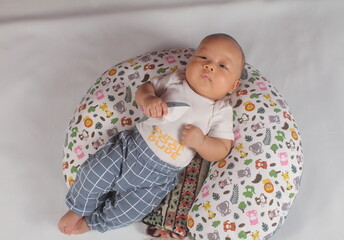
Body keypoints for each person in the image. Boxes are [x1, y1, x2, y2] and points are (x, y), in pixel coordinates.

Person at [58, 33, 246, 235]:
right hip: (128, 149)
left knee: (132, 210)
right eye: (203, 57)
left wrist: (201, 142)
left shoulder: (220, 110)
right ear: (191, 60)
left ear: (233, 86)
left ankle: (94, 222)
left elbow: (221, 149)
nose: (209, 66)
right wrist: (147, 98)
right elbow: (145, 88)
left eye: (222, 66)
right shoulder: (177, 80)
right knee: (93, 172)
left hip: (158, 178)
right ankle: (78, 208)